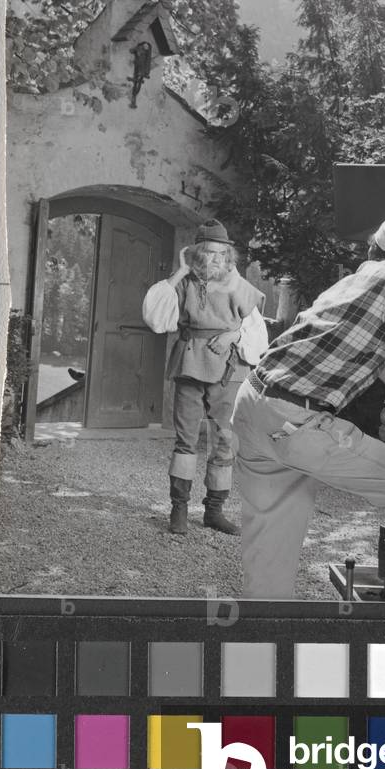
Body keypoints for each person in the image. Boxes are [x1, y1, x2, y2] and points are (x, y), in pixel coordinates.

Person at [231, 214, 385, 601]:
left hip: (253, 403)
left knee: (270, 565)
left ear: (372, 249)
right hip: (297, 420)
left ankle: (264, 632)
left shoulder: (350, 284)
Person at [142, 219, 268, 536]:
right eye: (208, 253)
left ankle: (214, 511)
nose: (215, 259)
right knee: (185, 440)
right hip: (190, 362)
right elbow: (155, 318)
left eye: (221, 253)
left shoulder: (240, 287)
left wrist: (233, 335)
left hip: (230, 367)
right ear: (197, 253)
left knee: (225, 439)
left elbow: (258, 335)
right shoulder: (183, 283)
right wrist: (181, 271)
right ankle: (179, 509)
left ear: (228, 255)